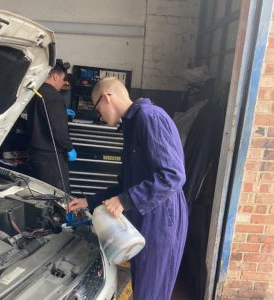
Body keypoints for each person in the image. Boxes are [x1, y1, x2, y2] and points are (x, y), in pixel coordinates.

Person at [67, 77, 188, 300]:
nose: (100, 118)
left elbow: (173, 175)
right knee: (143, 286)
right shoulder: (133, 124)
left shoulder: (149, 117)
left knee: (151, 293)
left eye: (97, 110)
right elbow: (127, 184)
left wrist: (125, 200)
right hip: (148, 214)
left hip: (162, 218)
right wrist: (90, 201)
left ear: (106, 98)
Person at [27, 61, 77, 193]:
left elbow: (42, 116)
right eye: (62, 79)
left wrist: (61, 112)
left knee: (41, 195)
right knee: (59, 196)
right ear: (55, 77)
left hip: (36, 156)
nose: (63, 83)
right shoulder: (55, 97)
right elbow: (58, 130)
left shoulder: (35, 92)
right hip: (51, 158)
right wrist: (69, 148)